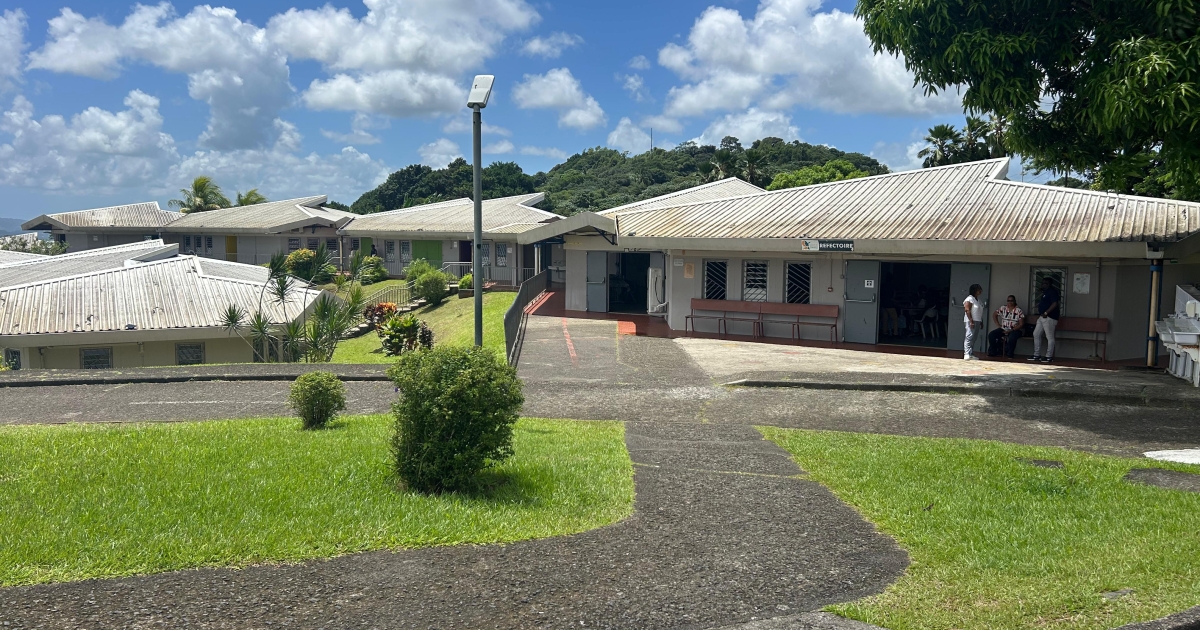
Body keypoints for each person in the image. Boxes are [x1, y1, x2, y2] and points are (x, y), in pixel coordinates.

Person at [1029, 277, 1061, 363]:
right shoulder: (1045, 292)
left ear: (1048, 284)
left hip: (1049, 317)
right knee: (1036, 334)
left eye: (1044, 283)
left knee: (1049, 337)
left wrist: (1046, 312)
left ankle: (1049, 356)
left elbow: (1055, 303)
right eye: (1042, 283)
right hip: (1042, 317)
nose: (1042, 285)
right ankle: (1036, 355)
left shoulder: (1052, 292)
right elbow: (1046, 302)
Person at [963, 284, 984, 360]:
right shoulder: (969, 299)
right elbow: (967, 310)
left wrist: (981, 321)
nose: (980, 291)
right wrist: (971, 321)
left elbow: (980, 312)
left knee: (974, 337)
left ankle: (971, 353)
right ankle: (966, 353)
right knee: (969, 336)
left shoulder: (978, 300)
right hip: (971, 320)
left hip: (978, 320)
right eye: (979, 289)